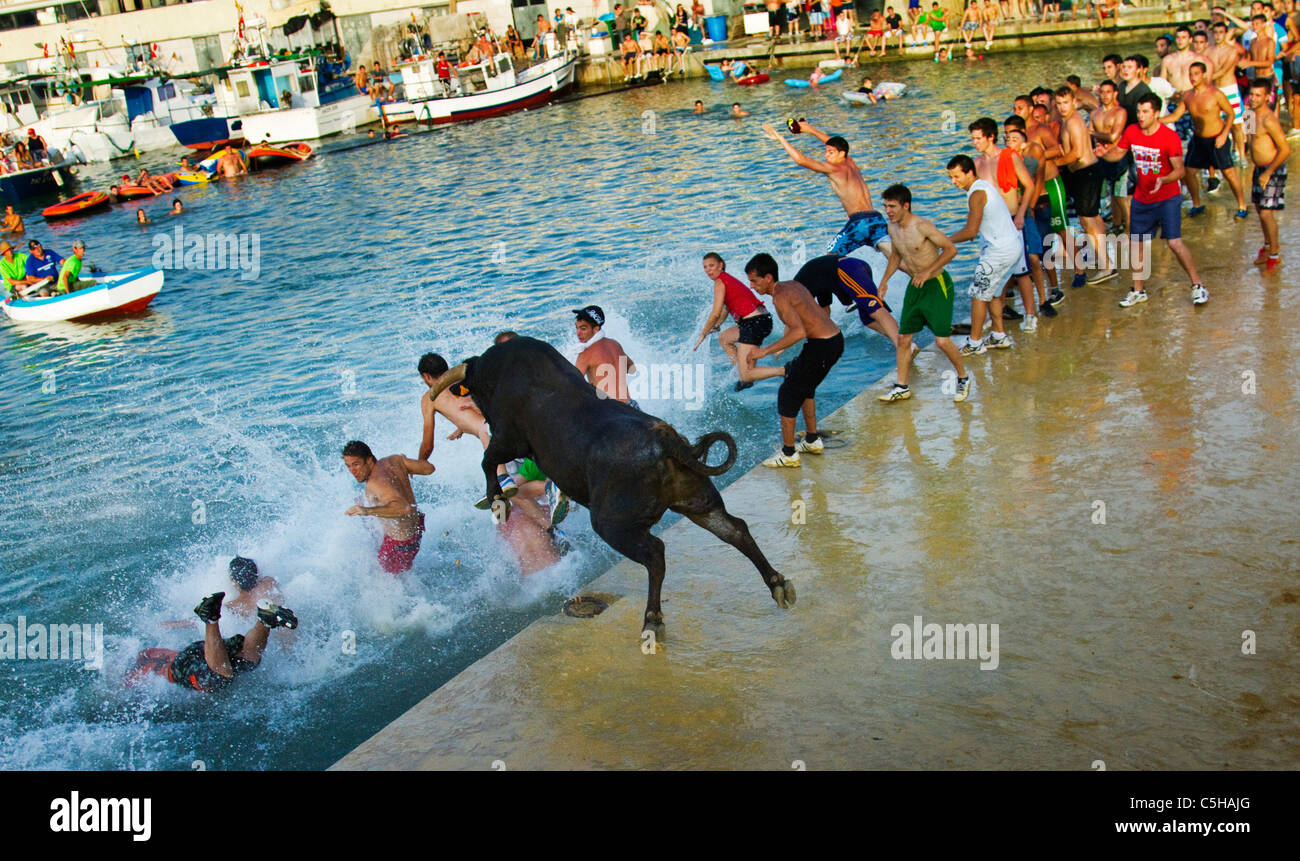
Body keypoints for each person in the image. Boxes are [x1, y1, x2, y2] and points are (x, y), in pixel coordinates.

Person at [1095, 92, 1210, 306]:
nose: (1140, 115)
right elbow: (1118, 154)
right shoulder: (1132, 131)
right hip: (1142, 198)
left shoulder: (1169, 137)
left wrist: (1164, 179)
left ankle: (1197, 285)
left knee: (1174, 243)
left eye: (1145, 111)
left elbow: (1180, 171)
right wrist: (1104, 154)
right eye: (1138, 111)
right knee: (1135, 243)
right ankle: (1138, 290)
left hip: (1168, 198)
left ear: (1157, 113)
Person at [742, 253, 843, 469]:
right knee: (804, 386)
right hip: (831, 341)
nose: (751, 286)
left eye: (754, 280)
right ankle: (812, 440)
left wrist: (764, 351)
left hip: (823, 346)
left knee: (787, 392)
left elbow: (798, 332)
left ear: (768, 277)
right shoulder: (792, 285)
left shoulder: (779, 297)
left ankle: (788, 454)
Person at [875, 185, 969, 403]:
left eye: (892, 206)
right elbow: (896, 256)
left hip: (937, 285)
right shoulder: (893, 228)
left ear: (905, 206)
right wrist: (884, 281)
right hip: (915, 286)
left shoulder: (923, 227)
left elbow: (951, 250)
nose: (888, 210)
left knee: (942, 341)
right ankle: (902, 386)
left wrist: (927, 272)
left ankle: (963, 377)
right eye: (885, 206)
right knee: (903, 338)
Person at [761, 119, 892, 259]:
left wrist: (780, 138)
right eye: (826, 152)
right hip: (876, 219)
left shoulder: (833, 169)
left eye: (830, 152)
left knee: (831, 256)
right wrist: (810, 130)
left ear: (841, 154)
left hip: (859, 222)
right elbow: (836, 144)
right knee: (894, 257)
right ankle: (916, 274)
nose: (826, 155)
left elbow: (802, 161)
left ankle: (849, 281)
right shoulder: (850, 162)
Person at [128, 591, 298, 692]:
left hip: (183, 669)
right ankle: (266, 621)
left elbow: (128, 689)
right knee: (247, 660)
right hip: (201, 652)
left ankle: (210, 619)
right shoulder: (153, 653)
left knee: (220, 676)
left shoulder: (141, 666)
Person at [416, 352, 516, 504]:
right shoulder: (465, 379)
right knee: (525, 480)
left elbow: (428, 445)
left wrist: (420, 461)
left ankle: (504, 483)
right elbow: (474, 403)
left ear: (426, 376)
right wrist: (461, 427)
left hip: (489, 435)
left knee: (509, 487)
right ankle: (548, 516)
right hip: (507, 424)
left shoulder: (429, 398)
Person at [945, 154, 1019, 355]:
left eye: (957, 176)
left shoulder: (977, 194)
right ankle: (998, 335)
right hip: (1012, 246)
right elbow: (974, 227)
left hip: (999, 252)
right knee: (994, 293)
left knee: (977, 294)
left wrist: (943, 240)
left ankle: (975, 342)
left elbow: (970, 231)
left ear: (970, 172)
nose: (954, 181)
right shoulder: (983, 187)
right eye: (951, 177)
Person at [968, 117, 1037, 332]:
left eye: (979, 138)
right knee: (991, 271)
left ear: (991, 137)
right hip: (991, 227)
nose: (975, 142)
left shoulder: (1009, 157)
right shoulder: (977, 164)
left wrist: (1021, 215)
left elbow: (1029, 185)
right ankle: (992, 316)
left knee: (1022, 271)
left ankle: (1030, 314)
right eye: (973, 138)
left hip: (1012, 220)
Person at [1160, 61, 1249, 217]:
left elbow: (1231, 114)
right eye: (1190, 74)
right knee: (1188, 171)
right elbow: (1176, 115)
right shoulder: (1188, 95)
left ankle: (1242, 205)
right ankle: (1197, 204)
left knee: (1229, 173)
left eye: (1196, 74)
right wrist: (1156, 120)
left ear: (1203, 75)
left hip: (1217, 138)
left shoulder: (1215, 93)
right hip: (1199, 139)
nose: (1193, 77)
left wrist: (1223, 135)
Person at [794, 253, 911, 359]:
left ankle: (904, 348)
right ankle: (906, 343)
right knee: (868, 320)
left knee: (875, 310)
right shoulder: (814, 284)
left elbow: (793, 323)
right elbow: (825, 313)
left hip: (847, 268)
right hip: (854, 267)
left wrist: (782, 346)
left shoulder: (797, 291)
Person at [342, 440, 433, 575]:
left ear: (369, 460)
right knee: (364, 506)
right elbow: (429, 468)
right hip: (416, 531)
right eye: (348, 466)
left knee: (382, 581)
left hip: (399, 545)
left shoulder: (375, 483)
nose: (352, 471)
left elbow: (404, 507)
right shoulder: (394, 460)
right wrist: (405, 464)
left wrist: (367, 511)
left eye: (356, 464)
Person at [1054, 85, 1113, 283]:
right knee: (1093, 217)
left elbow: (1077, 153)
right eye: (1059, 103)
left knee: (1087, 220)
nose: (1062, 107)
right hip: (1086, 172)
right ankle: (1105, 258)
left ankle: (1106, 266)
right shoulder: (1067, 121)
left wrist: (1054, 164)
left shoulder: (1073, 122)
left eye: (1066, 103)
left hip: (1085, 172)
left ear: (1074, 102)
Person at [693, 251, 775, 391]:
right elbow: (726, 308)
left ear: (721, 265)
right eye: (705, 267)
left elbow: (715, 313)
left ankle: (785, 370)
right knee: (724, 338)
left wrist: (703, 333)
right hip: (762, 320)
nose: (708, 270)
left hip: (754, 323)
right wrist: (717, 326)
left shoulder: (720, 282)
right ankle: (744, 374)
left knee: (747, 374)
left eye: (711, 265)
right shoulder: (727, 279)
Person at [1245, 78, 1291, 269]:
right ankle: (1267, 246)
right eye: (1252, 94)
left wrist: (1268, 173)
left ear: (1267, 97)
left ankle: (1275, 254)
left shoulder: (1269, 119)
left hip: (1272, 168)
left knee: (1266, 213)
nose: (1254, 99)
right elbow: (1249, 141)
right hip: (1258, 168)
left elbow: (1285, 149)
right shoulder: (1248, 114)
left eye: (1258, 95)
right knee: (1258, 208)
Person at [573, 305, 638, 406]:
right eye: (577, 328)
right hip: (631, 405)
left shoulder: (585, 354)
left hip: (612, 411)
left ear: (596, 329)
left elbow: (573, 385)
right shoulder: (614, 344)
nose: (578, 333)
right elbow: (632, 369)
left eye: (583, 329)